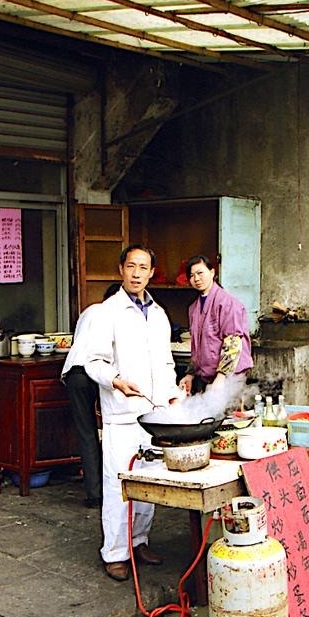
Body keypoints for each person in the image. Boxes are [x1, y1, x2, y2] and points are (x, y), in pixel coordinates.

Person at [85, 245, 180, 582]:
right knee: (119, 484)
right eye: (131, 266)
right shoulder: (105, 313)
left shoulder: (158, 314)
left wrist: (171, 396)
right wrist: (114, 381)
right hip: (122, 413)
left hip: (153, 414)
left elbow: (167, 362)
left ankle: (139, 541)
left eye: (144, 268)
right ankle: (115, 553)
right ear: (120, 269)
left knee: (148, 483)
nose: (137, 273)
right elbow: (92, 362)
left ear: (152, 272)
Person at [61, 283, 120, 509]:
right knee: (113, 429)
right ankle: (113, 487)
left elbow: (79, 342)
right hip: (102, 373)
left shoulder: (89, 311)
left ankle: (94, 493)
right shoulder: (117, 314)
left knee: (86, 432)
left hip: (76, 372)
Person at [179, 255, 253, 396]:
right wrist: (190, 375)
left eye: (200, 273)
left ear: (212, 272)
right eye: (192, 275)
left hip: (229, 379)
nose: (196, 279)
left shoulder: (227, 303)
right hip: (206, 378)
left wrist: (221, 377)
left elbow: (233, 342)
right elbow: (197, 347)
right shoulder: (193, 308)